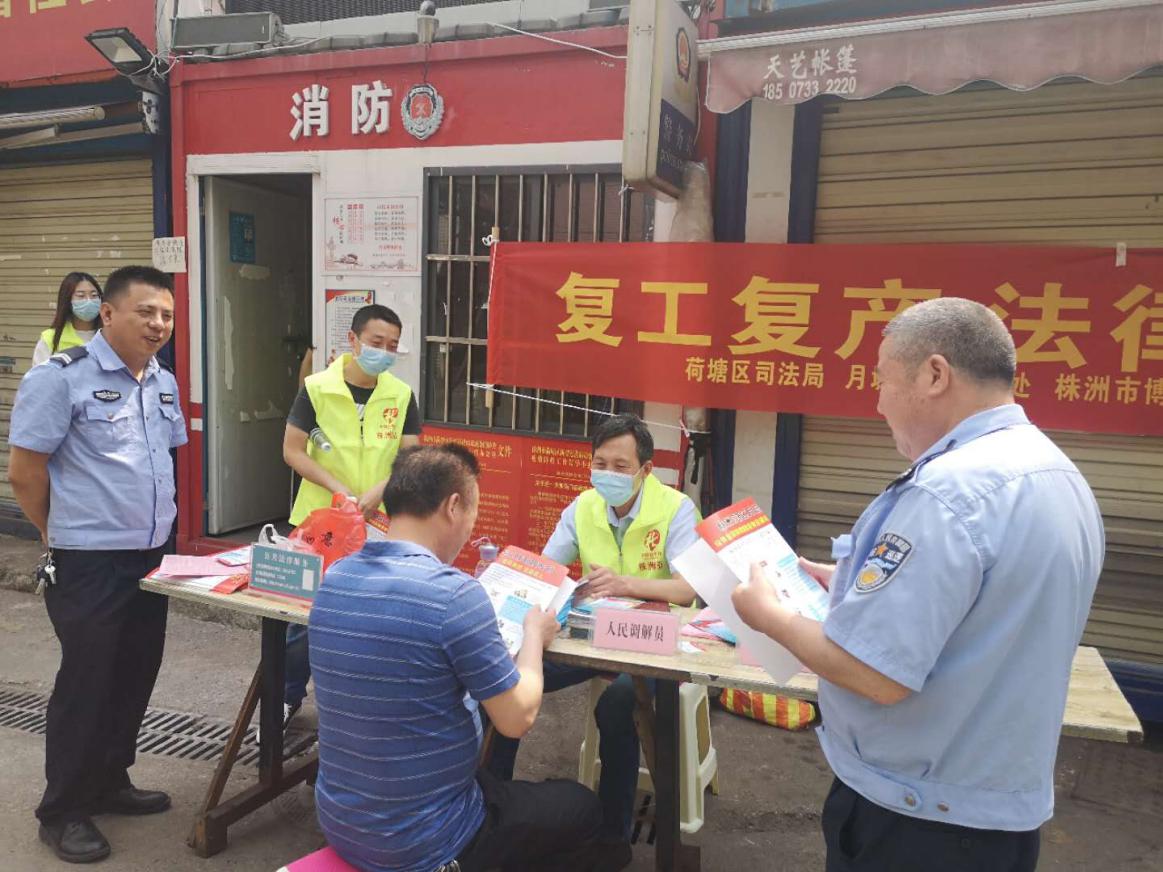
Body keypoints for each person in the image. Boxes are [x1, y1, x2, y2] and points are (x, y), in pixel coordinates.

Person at [731, 298, 1104, 872]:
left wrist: (770, 618)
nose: (878, 402)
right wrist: (852, 585)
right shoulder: (1058, 473)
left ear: (934, 375)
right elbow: (982, 607)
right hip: (998, 815)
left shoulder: (946, 493)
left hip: (917, 823)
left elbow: (874, 674)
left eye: (882, 379)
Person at [309, 443, 602, 872]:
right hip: (428, 840)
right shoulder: (454, 595)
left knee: (492, 776)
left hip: (340, 823)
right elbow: (517, 718)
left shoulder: (335, 577)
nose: (470, 529)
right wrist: (534, 635)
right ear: (452, 507)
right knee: (583, 808)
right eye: (472, 513)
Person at [8, 265, 187, 864]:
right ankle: (62, 811)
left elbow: (161, 462)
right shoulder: (60, 378)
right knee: (86, 683)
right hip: (88, 560)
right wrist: (53, 532)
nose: (158, 324)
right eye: (146, 312)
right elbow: (25, 471)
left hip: (151, 556)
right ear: (107, 314)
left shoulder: (161, 380)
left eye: (166, 314)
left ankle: (110, 780)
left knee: (134, 673)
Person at [487, 413, 700, 867]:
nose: (608, 474)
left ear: (646, 469)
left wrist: (626, 584)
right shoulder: (582, 507)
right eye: (600, 464)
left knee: (618, 705)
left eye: (621, 466)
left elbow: (687, 589)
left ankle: (612, 838)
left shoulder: (676, 509)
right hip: (591, 636)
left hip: (656, 644)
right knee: (505, 679)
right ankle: (490, 807)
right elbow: (548, 569)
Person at [280, 304, 421, 731]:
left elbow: (411, 455)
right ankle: (286, 696)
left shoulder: (401, 394)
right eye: (377, 343)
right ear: (354, 341)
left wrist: (381, 491)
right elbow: (292, 450)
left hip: (378, 524)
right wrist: (337, 488)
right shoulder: (317, 388)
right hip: (320, 521)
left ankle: (361, 707)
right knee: (301, 617)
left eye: (392, 346)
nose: (384, 352)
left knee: (373, 617)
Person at [31, 272, 103, 366]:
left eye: (94, 295)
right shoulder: (50, 339)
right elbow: (40, 374)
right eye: (81, 296)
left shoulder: (111, 336)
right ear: (67, 300)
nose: (89, 301)